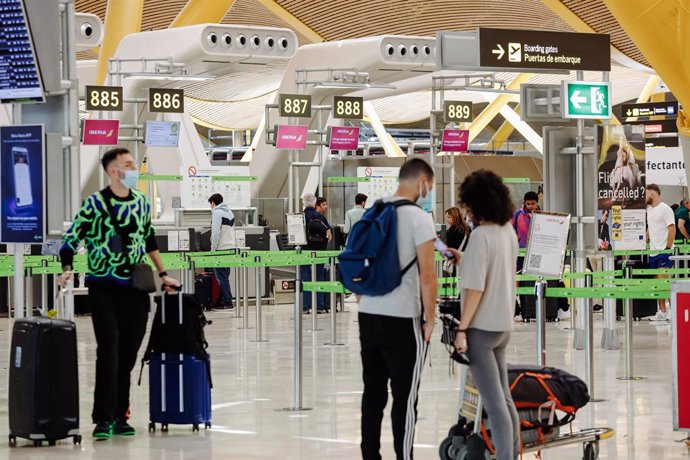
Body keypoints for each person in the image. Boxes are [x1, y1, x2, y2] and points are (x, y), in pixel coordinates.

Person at [58, 148, 179, 439]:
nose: (134, 168)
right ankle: (103, 418)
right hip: (103, 288)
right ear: (114, 171)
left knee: (127, 354)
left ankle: (121, 413)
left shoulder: (140, 202)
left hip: (136, 289)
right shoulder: (94, 204)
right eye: (128, 164)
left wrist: (162, 274)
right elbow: (71, 239)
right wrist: (66, 268)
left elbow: (149, 239)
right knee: (108, 351)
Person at [358, 158, 458, 460]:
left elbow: (359, 262)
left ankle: (370, 456)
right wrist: (429, 320)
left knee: (372, 394)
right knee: (405, 397)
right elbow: (428, 276)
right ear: (422, 183)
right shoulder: (418, 217)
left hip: (369, 315)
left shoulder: (374, 211)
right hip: (403, 318)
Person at [454, 170, 520, 460]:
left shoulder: (480, 236)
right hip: (503, 324)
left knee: (493, 403)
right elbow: (500, 272)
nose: (466, 211)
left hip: (481, 329)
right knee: (504, 399)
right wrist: (463, 260)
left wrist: (461, 329)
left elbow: (475, 290)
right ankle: (514, 452)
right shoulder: (508, 232)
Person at [646, 184, 675, 321]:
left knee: (664, 280)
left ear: (652, 194)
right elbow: (650, 229)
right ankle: (662, 311)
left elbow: (672, 228)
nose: (644, 197)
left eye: (646, 194)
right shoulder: (649, 210)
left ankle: (672, 309)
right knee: (657, 283)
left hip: (664, 250)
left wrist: (668, 248)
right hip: (653, 251)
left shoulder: (665, 209)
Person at [301, 193, 331, 313]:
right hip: (319, 251)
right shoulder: (320, 216)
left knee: (306, 277)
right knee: (319, 277)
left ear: (303, 203)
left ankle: (306, 307)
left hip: (304, 251)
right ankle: (319, 306)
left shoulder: (300, 216)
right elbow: (329, 235)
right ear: (314, 203)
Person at [208, 193, 235, 309]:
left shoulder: (217, 213)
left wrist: (212, 249)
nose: (210, 207)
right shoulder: (229, 212)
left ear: (213, 203)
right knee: (225, 276)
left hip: (221, 249)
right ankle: (222, 300)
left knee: (221, 277)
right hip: (230, 247)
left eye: (210, 204)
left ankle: (227, 301)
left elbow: (215, 233)